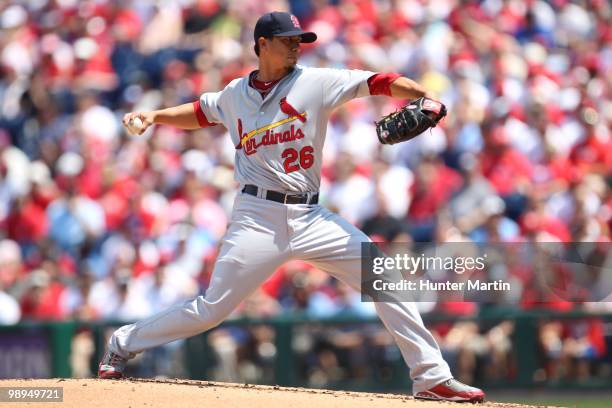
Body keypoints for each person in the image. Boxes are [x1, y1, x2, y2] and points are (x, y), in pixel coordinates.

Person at [98, 11, 485, 402]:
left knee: (382, 275)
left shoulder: (315, 82)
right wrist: (155, 116)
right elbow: (201, 111)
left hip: (311, 215)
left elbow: (378, 81)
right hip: (256, 218)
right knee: (211, 310)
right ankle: (123, 341)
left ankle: (431, 377)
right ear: (262, 44)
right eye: (288, 40)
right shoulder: (235, 94)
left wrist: (421, 95)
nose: (296, 46)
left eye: (299, 40)